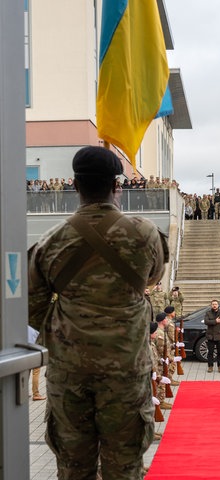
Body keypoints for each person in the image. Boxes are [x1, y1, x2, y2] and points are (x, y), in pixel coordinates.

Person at [28, 146, 167, 480]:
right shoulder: (144, 234)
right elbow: (153, 278)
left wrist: (65, 338)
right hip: (126, 372)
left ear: (75, 186)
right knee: (125, 467)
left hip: (68, 375)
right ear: (116, 185)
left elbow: (32, 308)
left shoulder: (50, 241)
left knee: (74, 468)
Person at [204, 299, 220, 373]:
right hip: (210, 336)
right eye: (213, 304)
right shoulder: (208, 313)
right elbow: (206, 321)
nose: (214, 305)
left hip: (219, 336)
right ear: (211, 305)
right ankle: (210, 366)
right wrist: (215, 321)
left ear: (218, 305)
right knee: (210, 352)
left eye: (216, 304)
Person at [28, 326, 46, 401]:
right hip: (34, 351)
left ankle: (23, 392)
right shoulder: (34, 327)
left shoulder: (24, 325)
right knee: (36, 372)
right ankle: (36, 394)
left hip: (25, 351)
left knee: (26, 372)